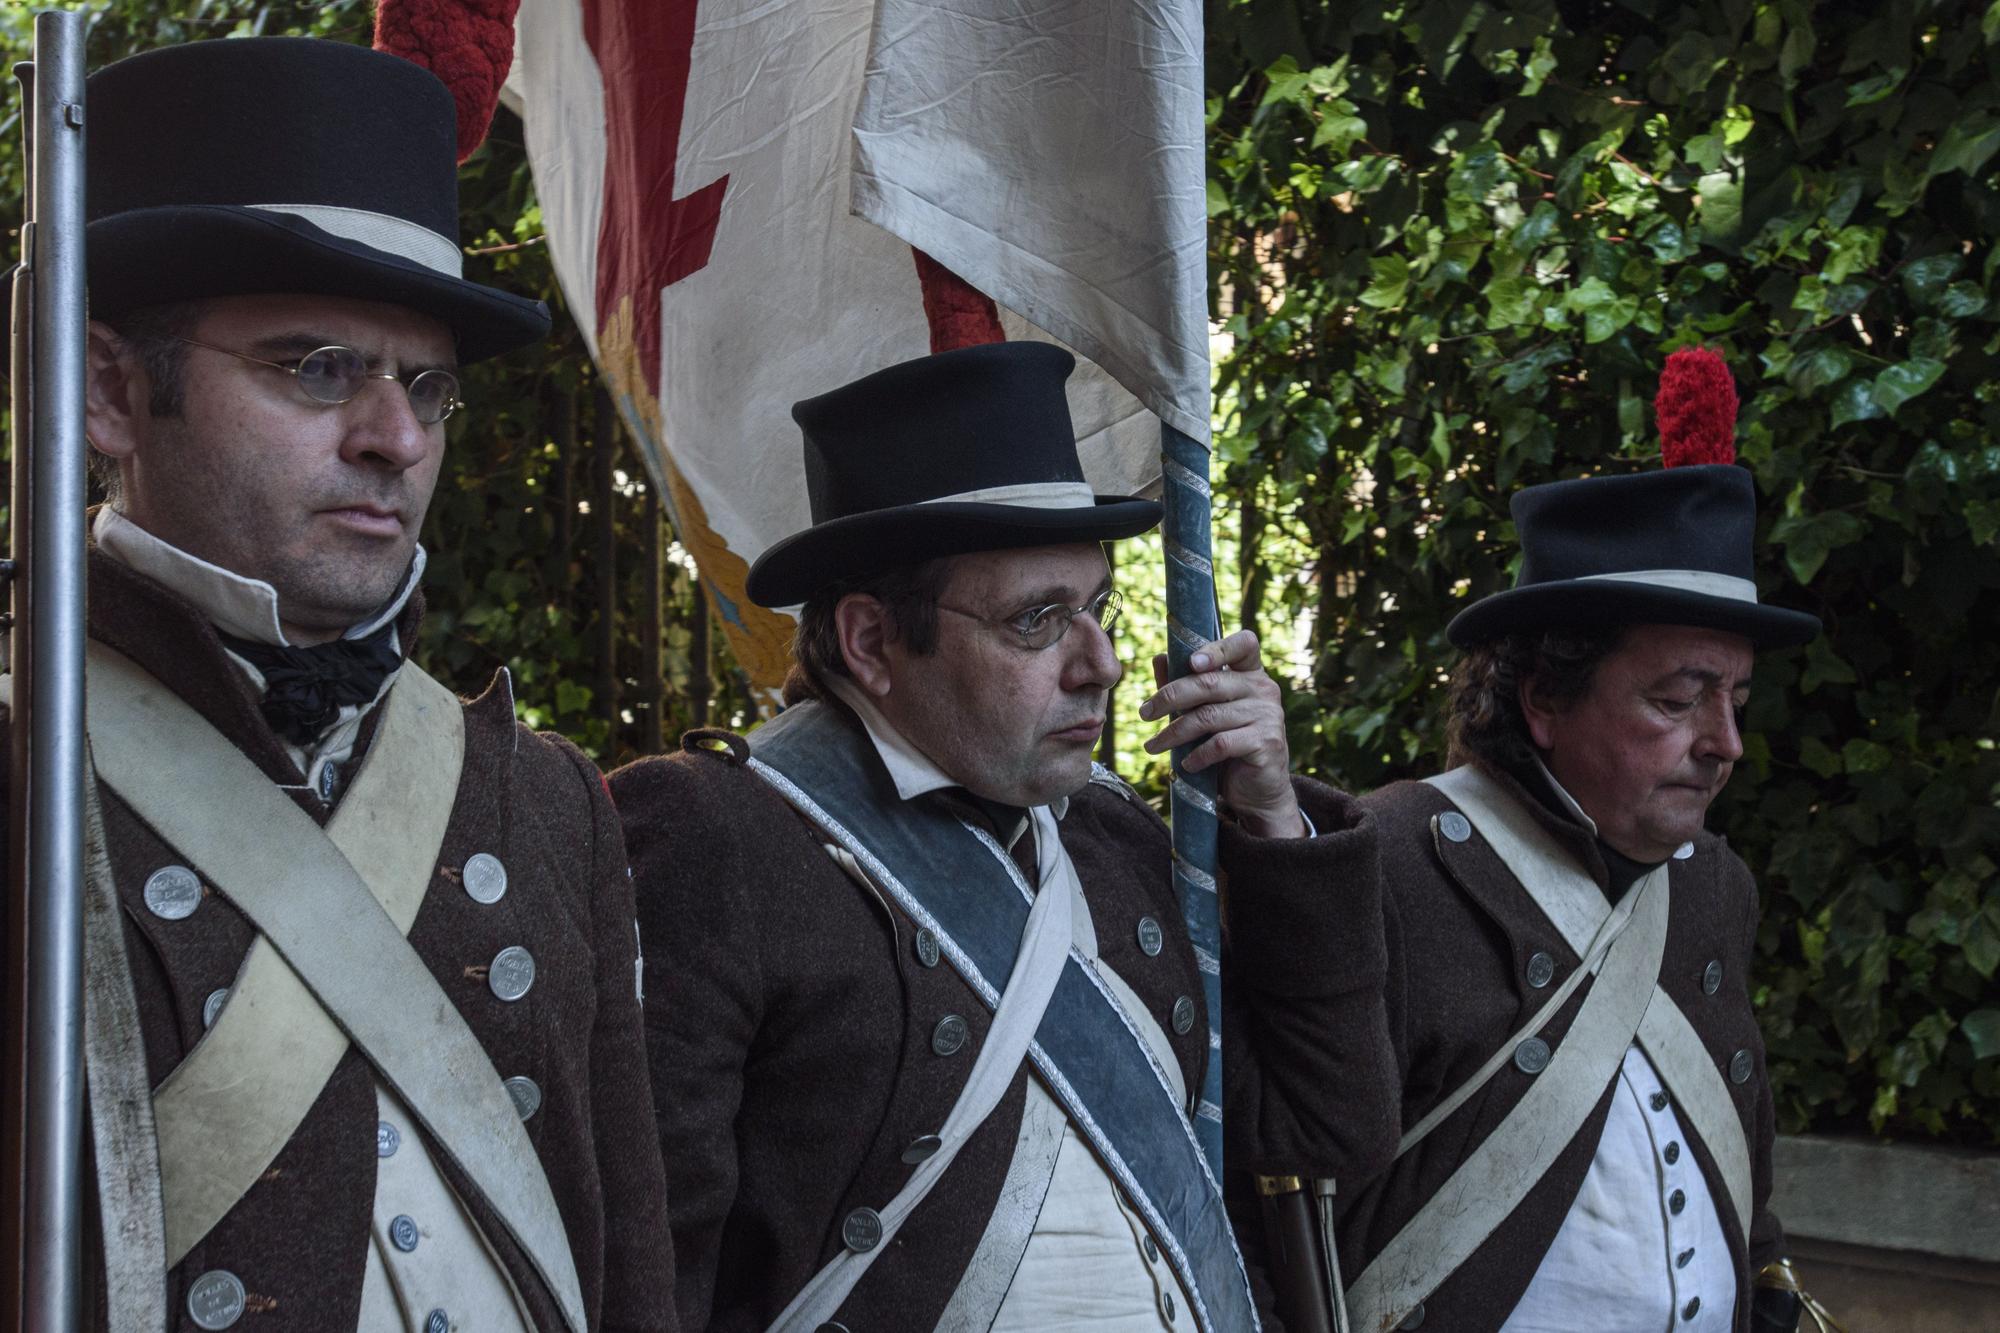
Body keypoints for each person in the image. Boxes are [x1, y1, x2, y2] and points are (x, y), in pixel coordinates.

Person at [18, 37, 675, 1331]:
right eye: (314, 365)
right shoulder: (22, 769)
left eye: (425, 386)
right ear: (108, 392)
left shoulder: (543, 802)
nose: (394, 438)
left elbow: (628, 1263)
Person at [610, 341, 1391, 1332]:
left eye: (1096, 606)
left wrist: (1269, 820)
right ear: (870, 641)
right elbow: (644, 1264)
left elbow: (1321, 1139)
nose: (1099, 662)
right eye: (1039, 621)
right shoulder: (717, 835)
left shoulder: (1110, 837)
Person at [1242, 349, 1832, 1332]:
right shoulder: (1384, 859)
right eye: (1677, 697)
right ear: (1545, 698)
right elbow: (1281, 1183)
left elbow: (1741, 1181)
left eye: (1733, 699)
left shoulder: (1711, 886)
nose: (1722, 743)